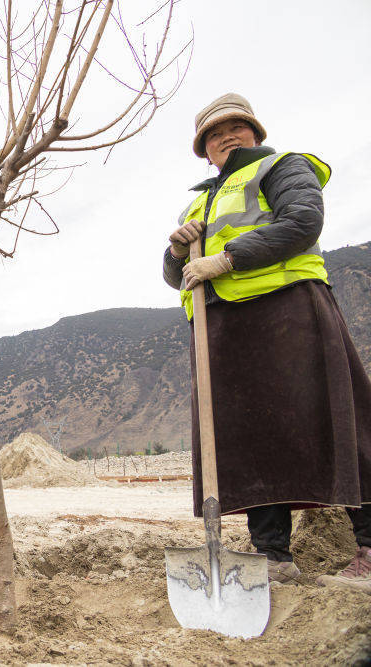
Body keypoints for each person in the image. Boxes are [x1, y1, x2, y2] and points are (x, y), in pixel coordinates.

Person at [163, 93, 371, 592]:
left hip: (289, 311)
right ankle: (273, 554)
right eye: (215, 134)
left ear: (254, 132)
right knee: (250, 439)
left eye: (235, 127)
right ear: (204, 149)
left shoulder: (284, 166)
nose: (226, 137)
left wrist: (228, 258)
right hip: (224, 329)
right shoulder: (199, 200)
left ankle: (368, 545)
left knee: (333, 421)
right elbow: (176, 276)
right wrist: (176, 250)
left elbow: (302, 223)